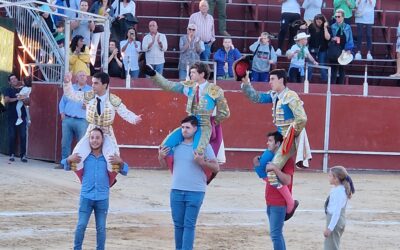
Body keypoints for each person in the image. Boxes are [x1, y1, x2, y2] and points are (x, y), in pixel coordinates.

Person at [241, 69, 309, 218]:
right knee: (261, 165)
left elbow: (302, 118)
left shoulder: (291, 96)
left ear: (281, 80)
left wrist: (291, 135)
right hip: (279, 140)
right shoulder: (275, 95)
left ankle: (290, 204)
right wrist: (246, 83)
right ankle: (279, 189)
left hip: (288, 142)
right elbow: (256, 97)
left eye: (272, 79)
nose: (269, 82)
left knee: (272, 170)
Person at [62, 71, 142, 176]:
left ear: (105, 85)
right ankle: (84, 182)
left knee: (113, 160)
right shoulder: (89, 96)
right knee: (76, 157)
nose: (92, 85)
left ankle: (109, 182)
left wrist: (135, 119)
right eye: (92, 83)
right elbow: (72, 95)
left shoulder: (113, 100)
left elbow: (124, 112)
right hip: (92, 130)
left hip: (107, 131)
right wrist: (67, 83)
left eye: (96, 83)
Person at [62, 127, 129, 250]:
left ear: (102, 140)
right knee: (81, 225)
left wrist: (121, 162)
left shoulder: (109, 158)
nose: (94, 140)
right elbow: (66, 166)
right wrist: (68, 159)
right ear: (89, 140)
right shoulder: (83, 157)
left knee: (101, 228)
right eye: (92, 138)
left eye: (97, 138)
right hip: (86, 197)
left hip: (102, 198)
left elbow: (125, 171)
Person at [158, 115, 219, 250]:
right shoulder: (175, 146)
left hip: (196, 191)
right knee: (178, 225)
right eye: (182, 127)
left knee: (189, 225)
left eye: (188, 127)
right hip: (176, 190)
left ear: (195, 129)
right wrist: (160, 157)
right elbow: (163, 166)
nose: (184, 130)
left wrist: (202, 162)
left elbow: (216, 168)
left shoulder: (203, 146)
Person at [145, 62, 230, 158]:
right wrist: (154, 74)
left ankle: (204, 171)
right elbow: (168, 85)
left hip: (203, 126)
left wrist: (212, 121)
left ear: (202, 74)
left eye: (193, 72)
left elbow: (225, 113)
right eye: (191, 72)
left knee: (198, 153)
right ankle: (179, 168)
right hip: (188, 123)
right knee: (165, 148)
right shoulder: (189, 86)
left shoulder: (215, 90)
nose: (190, 74)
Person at [252, 131, 297, 249]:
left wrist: (275, 169)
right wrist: (257, 166)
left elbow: (287, 180)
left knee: (275, 235)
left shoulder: (287, 160)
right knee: (276, 234)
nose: (267, 143)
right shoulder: (271, 157)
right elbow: (267, 179)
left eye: (270, 141)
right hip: (270, 201)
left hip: (279, 203)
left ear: (278, 143)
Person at [57, 71, 92, 170]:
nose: (82, 77)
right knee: (65, 142)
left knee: (82, 142)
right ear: (76, 78)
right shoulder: (70, 87)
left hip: (82, 120)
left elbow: (94, 104)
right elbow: (62, 102)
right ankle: (64, 163)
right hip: (68, 119)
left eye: (84, 75)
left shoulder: (90, 90)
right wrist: (62, 113)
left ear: (86, 78)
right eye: (80, 75)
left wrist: (88, 106)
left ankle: (80, 164)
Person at [324, 166, 355, 250]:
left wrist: (330, 228)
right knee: (332, 245)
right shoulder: (339, 189)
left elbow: (336, 211)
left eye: (330, 176)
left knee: (331, 247)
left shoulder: (339, 191)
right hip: (338, 220)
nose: (328, 177)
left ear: (336, 179)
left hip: (335, 221)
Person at [4, 74, 29, 163]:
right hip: (11, 117)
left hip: (22, 117)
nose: (14, 80)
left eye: (15, 78)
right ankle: (12, 154)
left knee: (23, 135)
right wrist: (17, 98)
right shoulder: (8, 90)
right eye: (12, 79)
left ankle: (23, 156)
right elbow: (6, 100)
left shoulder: (23, 89)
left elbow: (28, 103)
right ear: (9, 82)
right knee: (12, 136)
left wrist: (24, 99)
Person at [330, 9, 354, 84]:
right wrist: (332, 39)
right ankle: (332, 87)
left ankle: (341, 86)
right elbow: (329, 38)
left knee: (342, 69)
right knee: (333, 70)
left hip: (344, 50)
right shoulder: (332, 26)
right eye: (336, 16)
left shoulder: (348, 27)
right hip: (335, 50)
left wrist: (349, 49)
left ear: (343, 17)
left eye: (339, 16)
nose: (337, 18)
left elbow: (350, 39)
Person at [89, 0, 115, 67]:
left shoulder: (111, 7)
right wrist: (92, 20)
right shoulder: (96, 4)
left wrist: (108, 16)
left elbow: (113, 19)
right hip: (97, 25)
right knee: (94, 47)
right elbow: (90, 13)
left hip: (106, 27)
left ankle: (103, 66)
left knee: (105, 48)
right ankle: (91, 65)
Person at [308, 14, 331, 82]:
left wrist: (325, 27)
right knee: (310, 67)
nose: (318, 20)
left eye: (320, 19)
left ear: (323, 20)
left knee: (322, 66)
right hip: (312, 49)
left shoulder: (327, 28)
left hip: (322, 50)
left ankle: (325, 82)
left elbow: (328, 38)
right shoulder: (311, 27)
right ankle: (307, 81)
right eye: (317, 19)